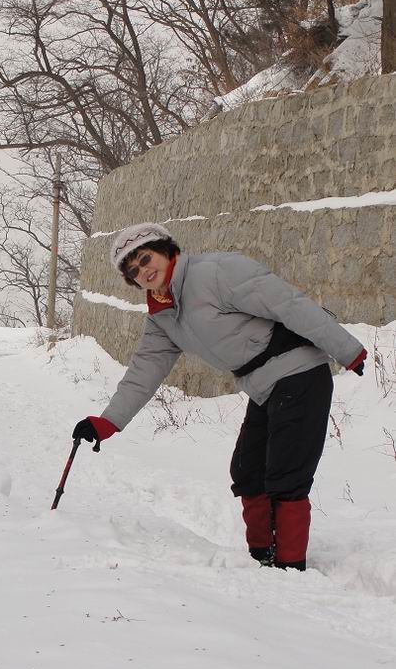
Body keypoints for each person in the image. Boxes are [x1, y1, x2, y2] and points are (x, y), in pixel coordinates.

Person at [73, 222, 367, 571]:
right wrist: (107, 422)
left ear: (166, 250)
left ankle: (289, 568)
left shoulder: (215, 272)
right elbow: (143, 372)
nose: (143, 271)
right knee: (246, 472)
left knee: (285, 475)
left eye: (146, 258)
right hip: (262, 385)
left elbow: (288, 304)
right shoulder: (163, 317)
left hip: (299, 371)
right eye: (133, 271)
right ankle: (262, 557)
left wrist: (347, 349)